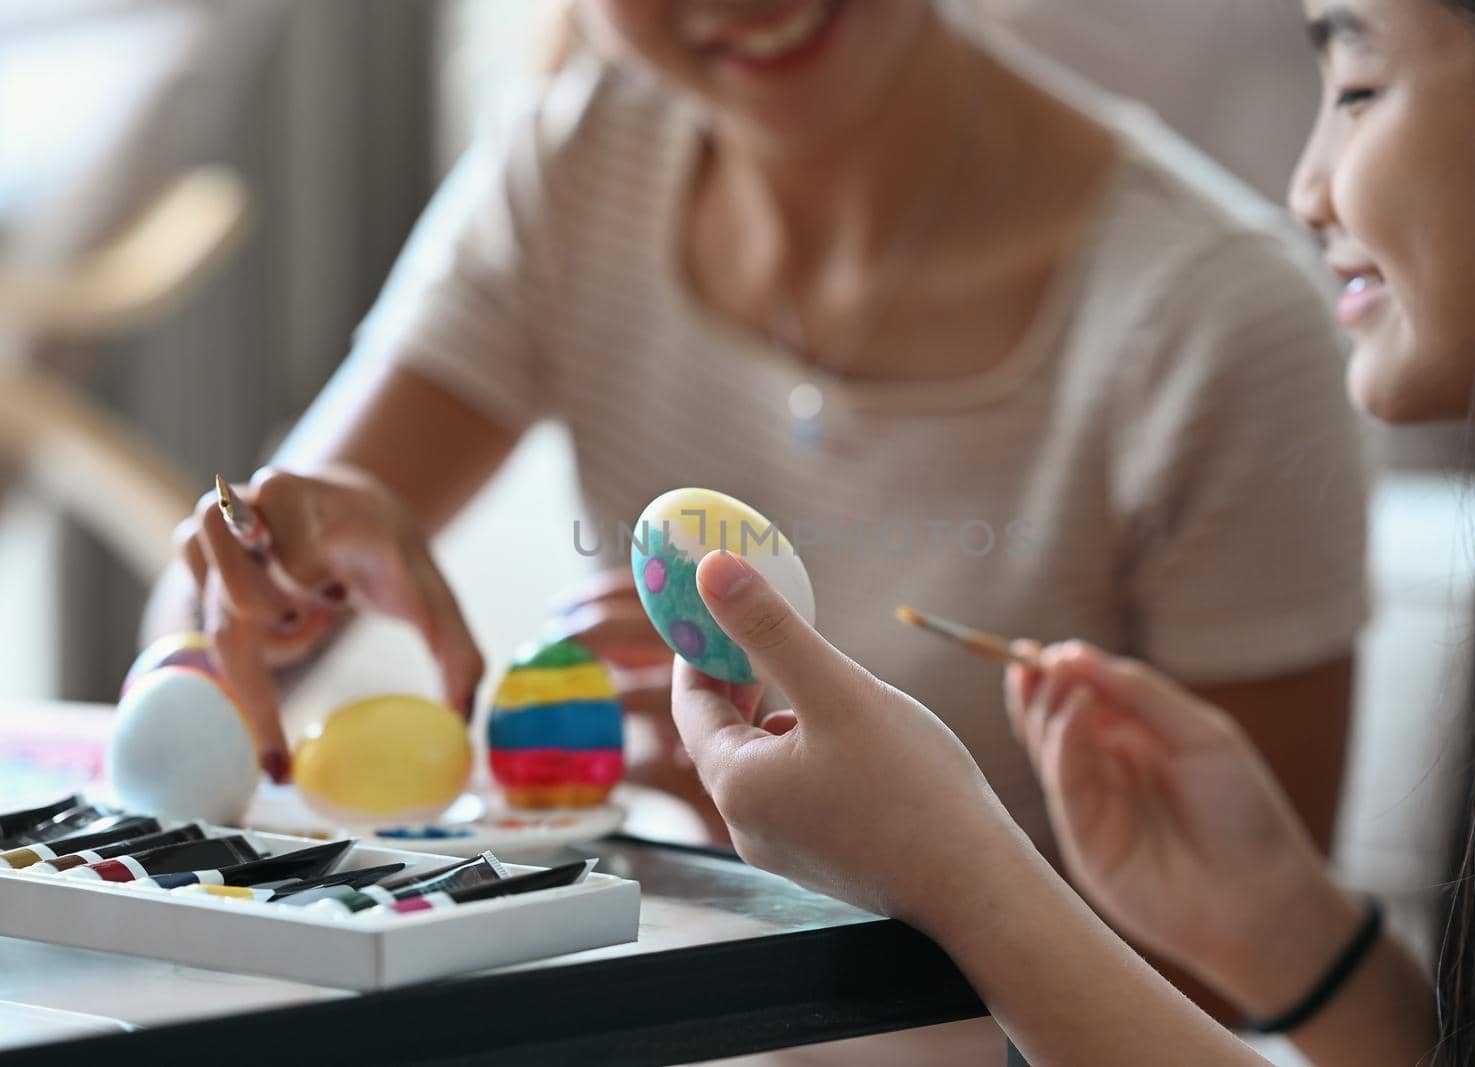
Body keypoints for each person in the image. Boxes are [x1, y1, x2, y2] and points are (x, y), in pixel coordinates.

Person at [147, 0, 1364, 870]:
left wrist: (873, 857)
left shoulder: (1213, 316)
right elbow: (202, 649)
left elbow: (1244, 977)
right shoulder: (571, 168)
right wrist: (265, 571)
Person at [665, 0, 1475, 1064]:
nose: (1305, 192)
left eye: (1358, 88)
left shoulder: (1199, 300)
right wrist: (1290, 928)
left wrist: (964, 878)